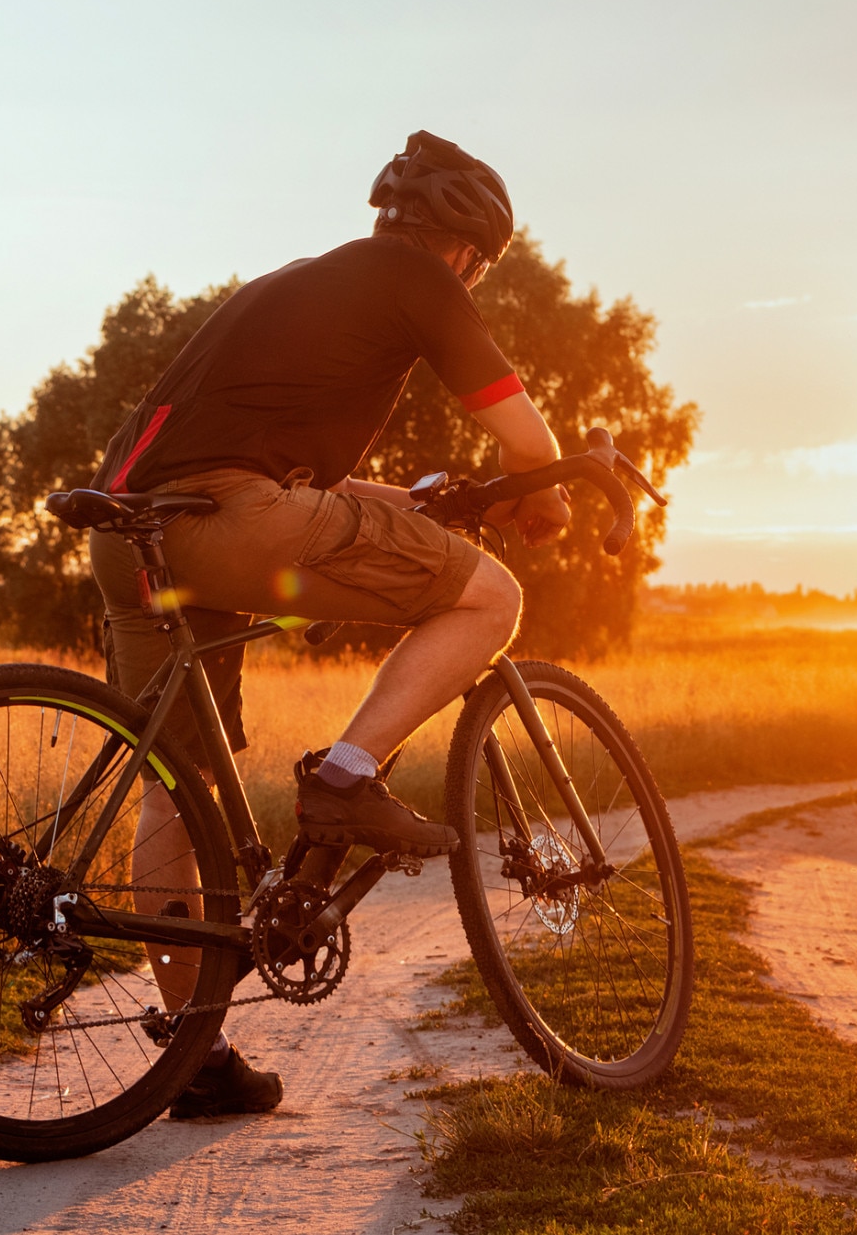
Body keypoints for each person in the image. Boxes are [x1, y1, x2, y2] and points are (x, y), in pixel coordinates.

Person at [86, 131, 571, 1118]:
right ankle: (346, 778)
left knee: (181, 796)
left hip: (135, 524)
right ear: (467, 250)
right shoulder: (414, 274)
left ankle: (194, 1054)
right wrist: (551, 491)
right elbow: (528, 440)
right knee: (491, 597)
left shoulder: (297, 286)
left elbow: (285, 470)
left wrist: (413, 497)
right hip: (230, 523)